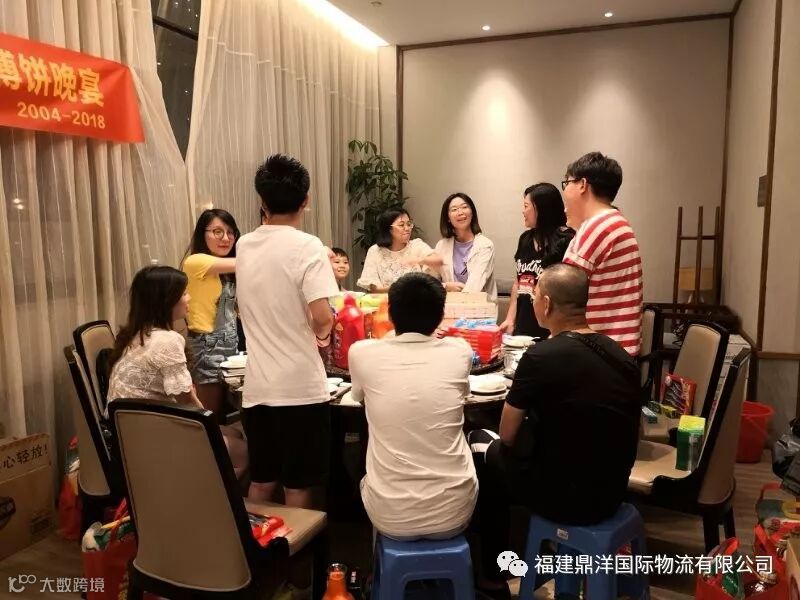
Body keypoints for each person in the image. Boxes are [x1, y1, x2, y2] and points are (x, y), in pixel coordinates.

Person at [468, 264, 641, 597]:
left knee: (479, 443)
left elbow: (507, 435)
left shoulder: (541, 356)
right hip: (612, 492)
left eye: (534, 297)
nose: (533, 302)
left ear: (546, 304)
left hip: (566, 500)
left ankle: (492, 574)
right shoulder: (620, 354)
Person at [237, 154, 339, 510]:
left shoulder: (244, 244)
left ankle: (255, 542)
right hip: (300, 389)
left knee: (262, 480)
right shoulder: (308, 246)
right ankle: (296, 545)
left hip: (257, 388)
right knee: (297, 485)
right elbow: (322, 317)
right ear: (305, 200)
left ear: (262, 202)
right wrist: (322, 335)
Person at [349, 272, 478, 540]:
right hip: (455, 513)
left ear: (390, 313)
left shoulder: (361, 353)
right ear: (441, 315)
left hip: (390, 516)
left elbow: (359, 398)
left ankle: (377, 562)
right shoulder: (460, 351)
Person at [106, 265, 247, 477]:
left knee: (235, 433)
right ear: (165, 301)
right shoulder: (166, 340)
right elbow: (187, 400)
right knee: (244, 452)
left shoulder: (138, 333)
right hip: (152, 437)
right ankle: (207, 493)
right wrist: (209, 424)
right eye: (184, 294)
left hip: (129, 431)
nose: (189, 298)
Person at [561, 151, 643, 355]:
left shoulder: (596, 227)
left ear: (582, 184)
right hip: (615, 352)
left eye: (566, 183)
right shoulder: (615, 221)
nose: (565, 192)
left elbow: (560, 295)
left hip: (597, 353)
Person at [181, 209, 240, 414]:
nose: (226, 238)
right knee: (209, 415)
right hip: (206, 347)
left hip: (230, 344)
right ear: (202, 234)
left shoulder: (226, 272)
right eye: (217, 232)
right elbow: (246, 262)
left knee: (229, 411)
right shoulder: (195, 261)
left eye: (230, 232)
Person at [499, 183, 574, 338]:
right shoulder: (525, 239)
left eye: (526, 206)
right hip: (523, 326)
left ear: (541, 209)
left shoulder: (566, 240)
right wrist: (510, 319)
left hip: (552, 331)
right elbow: (518, 282)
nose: (523, 211)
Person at [356, 209, 442, 292]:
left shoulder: (416, 245)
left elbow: (438, 260)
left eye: (409, 224)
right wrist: (402, 289)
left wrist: (419, 260)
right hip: (386, 300)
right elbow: (374, 288)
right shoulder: (375, 251)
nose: (407, 228)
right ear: (388, 229)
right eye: (401, 225)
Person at [434, 193, 497, 300]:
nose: (460, 212)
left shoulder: (485, 245)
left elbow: (475, 284)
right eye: (454, 209)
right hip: (448, 305)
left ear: (472, 213)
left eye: (464, 207)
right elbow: (431, 281)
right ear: (448, 218)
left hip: (479, 306)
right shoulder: (441, 246)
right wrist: (445, 286)